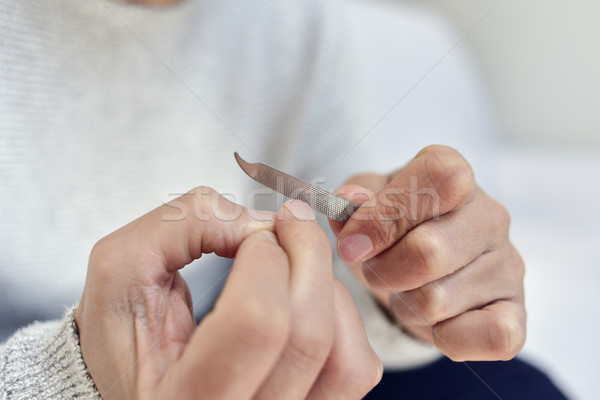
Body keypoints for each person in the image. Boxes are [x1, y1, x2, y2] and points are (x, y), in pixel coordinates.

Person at [0, 0, 566, 398]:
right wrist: (72, 378)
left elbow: (334, 255)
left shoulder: (297, 18)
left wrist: (400, 280)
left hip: (231, 327)